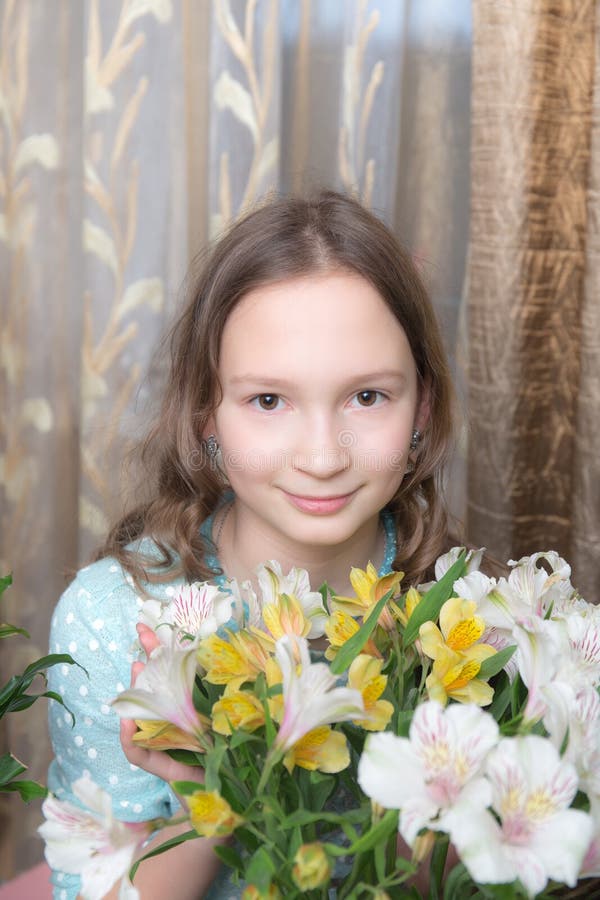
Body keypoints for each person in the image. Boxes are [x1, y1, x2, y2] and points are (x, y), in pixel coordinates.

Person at [44, 189, 456, 899]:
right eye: (269, 401)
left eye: (367, 397)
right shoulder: (113, 621)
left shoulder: (462, 624)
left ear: (422, 406)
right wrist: (216, 793)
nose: (323, 456)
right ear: (207, 413)